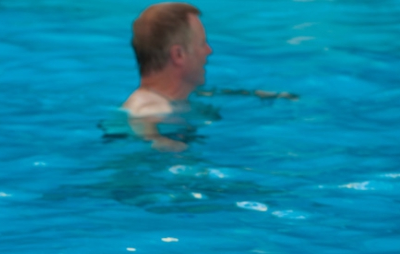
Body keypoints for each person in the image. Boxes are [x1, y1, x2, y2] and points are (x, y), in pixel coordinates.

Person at [121, 3, 295, 151]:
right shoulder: (148, 104)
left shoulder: (173, 98)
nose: (209, 51)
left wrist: (255, 94)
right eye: (202, 44)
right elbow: (140, 119)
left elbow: (212, 93)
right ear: (178, 55)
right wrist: (159, 141)